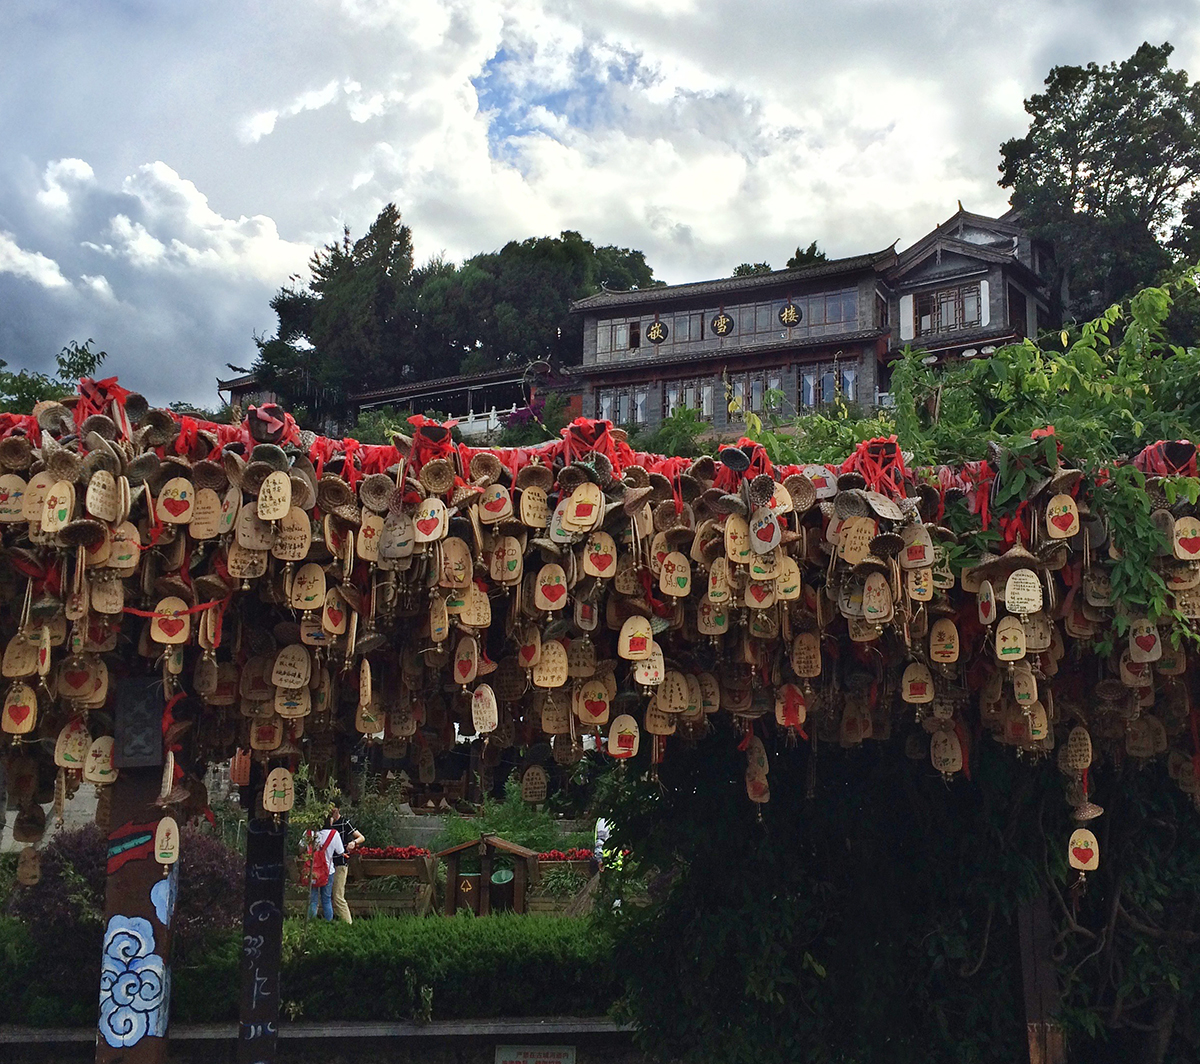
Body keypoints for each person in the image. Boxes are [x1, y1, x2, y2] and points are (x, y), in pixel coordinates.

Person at [302, 813, 344, 921]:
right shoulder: (334, 834)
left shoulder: (308, 833)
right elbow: (340, 851)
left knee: (313, 900)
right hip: (328, 871)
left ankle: (311, 924)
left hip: (311, 871)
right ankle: (328, 924)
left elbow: (301, 848)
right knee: (326, 899)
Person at [329, 803, 365, 925]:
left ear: (338, 809)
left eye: (334, 808)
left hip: (340, 862)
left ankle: (348, 923)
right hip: (327, 863)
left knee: (338, 895)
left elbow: (361, 837)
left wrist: (353, 842)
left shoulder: (344, 822)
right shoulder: (326, 823)